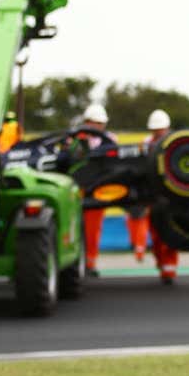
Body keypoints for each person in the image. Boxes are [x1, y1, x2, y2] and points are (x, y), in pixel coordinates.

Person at [139, 108, 178, 285]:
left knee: (171, 232)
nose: (158, 132)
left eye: (161, 129)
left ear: (167, 128)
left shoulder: (176, 143)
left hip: (171, 197)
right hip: (152, 196)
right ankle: (162, 265)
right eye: (155, 130)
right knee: (155, 235)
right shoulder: (145, 144)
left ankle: (170, 269)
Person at [78, 103, 116, 277]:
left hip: (97, 192)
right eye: (95, 122)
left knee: (93, 230)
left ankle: (90, 263)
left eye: (101, 123)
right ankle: (76, 264)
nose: (99, 126)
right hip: (77, 192)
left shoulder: (111, 140)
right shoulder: (75, 139)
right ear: (87, 122)